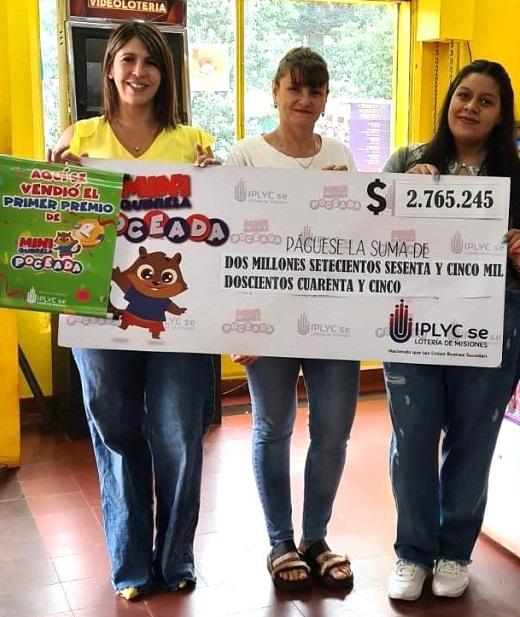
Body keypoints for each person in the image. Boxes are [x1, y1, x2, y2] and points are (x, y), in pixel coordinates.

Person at [50, 21, 218, 601]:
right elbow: (55, 221)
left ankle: (176, 558)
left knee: (177, 432)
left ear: (165, 74)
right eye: (127, 59)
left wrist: (217, 184)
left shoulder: (194, 142)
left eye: (150, 61)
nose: (138, 71)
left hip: (180, 315)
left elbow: (215, 222)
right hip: (96, 313)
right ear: (110, 69)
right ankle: (131, 565)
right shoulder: (80, 137)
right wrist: (57, 179)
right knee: (116, 431)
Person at [381, 59, 520, 601]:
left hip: (496, 314)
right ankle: (412, 552)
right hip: (413, 314)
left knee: (474, 438)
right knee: (411, 438)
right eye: (464, 95)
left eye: (486, 100)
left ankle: (454, 551)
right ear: (448, 101)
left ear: (501, 115)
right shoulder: (408, 160)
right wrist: (402, 194)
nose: (471, 107)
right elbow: (366, 234)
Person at [226, 47, 359, 591]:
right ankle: (280, 541)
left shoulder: (343, 155)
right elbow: (227, 242)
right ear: (275, 91)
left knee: (334, 432)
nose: (305, 100)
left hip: (334, 315)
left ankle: (316, 537)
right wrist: (237, 321)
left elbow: (360, 239)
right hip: (268, 319)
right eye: (295, 88)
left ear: (325, 98)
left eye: (316, 91)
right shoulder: (245, 155)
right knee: (272, 426)